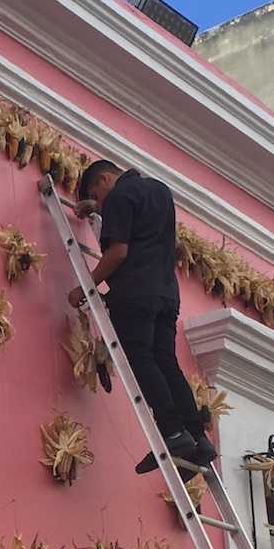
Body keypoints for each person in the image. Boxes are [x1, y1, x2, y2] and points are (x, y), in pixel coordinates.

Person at [68, 159, 216, 475]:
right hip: (166, 294)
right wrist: (97, 206)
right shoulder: (159, 191)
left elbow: (118, 252)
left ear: (105, 178)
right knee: (166, 361)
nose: (103, 201)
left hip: (135, 293)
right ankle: (197, 437)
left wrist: (85, 286)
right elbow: (138, 225)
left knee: (140, 359)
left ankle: (173, 433)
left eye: (98, 192)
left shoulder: (120, 198)